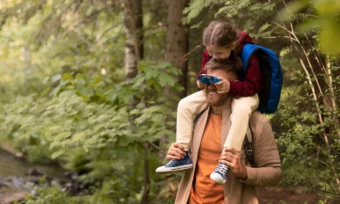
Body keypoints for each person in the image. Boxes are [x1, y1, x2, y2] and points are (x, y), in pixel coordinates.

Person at [156, 20, 263, 184]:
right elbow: (205, 70)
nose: (214, 57)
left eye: (219, 54)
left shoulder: (249, 52)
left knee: (241, 110)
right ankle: (183, 155)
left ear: (233, 45)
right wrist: (201, 80)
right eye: (210, 52)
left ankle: (225, 162)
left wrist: (231, 87)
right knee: (184, 104)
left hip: (243, 93)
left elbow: (254, 86)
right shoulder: (212, 51)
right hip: (217, 90)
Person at [169, 59, 282, 204]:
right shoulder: (195, 116)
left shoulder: (256, 122)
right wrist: (177, 153)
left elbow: (275, 173)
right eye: (207, 80)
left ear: (233, 84)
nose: (210, 86)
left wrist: (244, 172)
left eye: (216, 82)